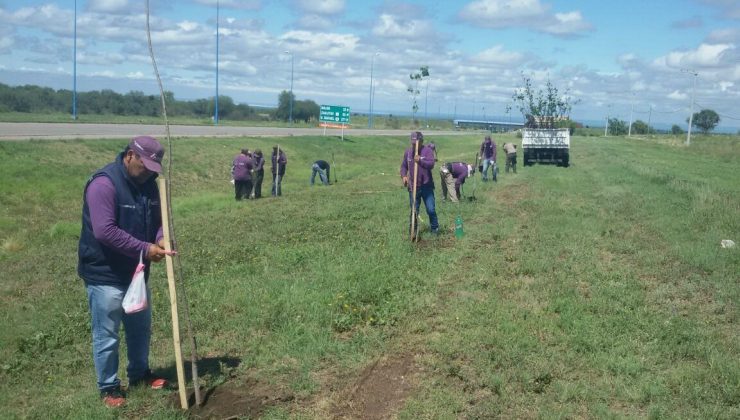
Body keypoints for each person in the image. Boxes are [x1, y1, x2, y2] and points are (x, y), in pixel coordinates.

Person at [78, 136, 175, 408]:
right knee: (107, 333)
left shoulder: (149, 186)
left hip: (137, 272)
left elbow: (159, 221)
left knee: (139, 328)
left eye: (152, 169)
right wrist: (145, 248)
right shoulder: (103, 184)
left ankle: (140, 375)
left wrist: (162, 237)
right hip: (105, 274)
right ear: (130, 155)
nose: (147, 173)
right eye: (144, 166)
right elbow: (105, 231)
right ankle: (109, 387)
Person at [400, 131, 439, 238]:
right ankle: (413, 231)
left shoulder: (427, 151)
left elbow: (431, 164)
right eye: (412, 142)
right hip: (413, 187)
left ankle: (435, 229)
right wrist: (404, 176)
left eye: (416, 142)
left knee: (431, 209)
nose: (414, 144)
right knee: (414, 210)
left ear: (421, 141)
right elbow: (404, 166)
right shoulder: (408, 152)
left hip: (426, 186)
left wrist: (420, 161)